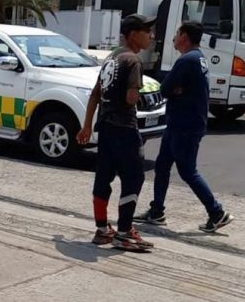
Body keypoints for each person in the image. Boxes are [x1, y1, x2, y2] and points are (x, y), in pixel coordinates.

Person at [134, 21, 233, 233]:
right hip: (179, 123)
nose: (174, 38)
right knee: (162, 166)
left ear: (185, 37)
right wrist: (175, 89)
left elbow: (166, 88)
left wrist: (174, 89)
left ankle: (216, 212)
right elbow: (173, 88)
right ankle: (157, 210)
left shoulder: (187, 60)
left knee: (188, 171)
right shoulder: (198, 58)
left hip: (185, 125)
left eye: (177, 34)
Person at [77, 14, 156, 251]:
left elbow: (95, 94)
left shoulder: (112, 57)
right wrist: (140, 98)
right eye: (147, 31)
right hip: (124, 128)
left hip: (106, 127)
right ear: (133, 35)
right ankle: (124, 232)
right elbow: (131, 97)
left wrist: (87, 125)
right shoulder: (133, 61)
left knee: (104, 177)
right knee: (134, 177)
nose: (150, 36)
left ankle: (102, 230)